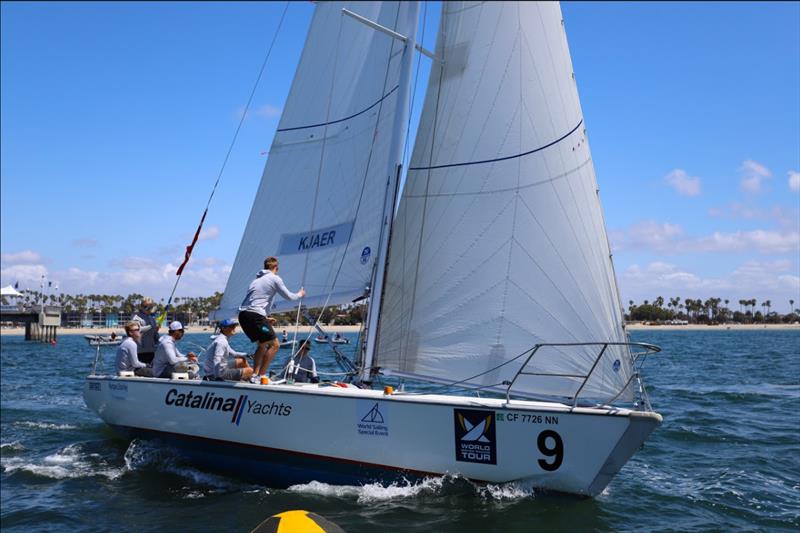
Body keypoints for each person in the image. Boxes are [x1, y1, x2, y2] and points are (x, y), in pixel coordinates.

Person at [238, 256, 305, 383]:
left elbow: (255, 300)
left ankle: (254, 375)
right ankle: (260, 375)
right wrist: (300, 294)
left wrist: (265, 318)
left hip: (243, 315)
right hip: (255, 315)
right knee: (274, 345)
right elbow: (289, 297)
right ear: (275, 267)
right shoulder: (275, 278)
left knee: (262, 345)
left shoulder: (255, 281)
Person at [132, 297, 159, 364]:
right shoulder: (136, 318)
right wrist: (152, 327)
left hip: (152, 351)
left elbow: (156, 336)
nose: (147, 309)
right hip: (140, 352)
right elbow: (137, 331)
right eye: (145, 306)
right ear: (141, 306)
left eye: (150, 307)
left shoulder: (152, 319)